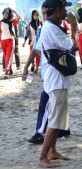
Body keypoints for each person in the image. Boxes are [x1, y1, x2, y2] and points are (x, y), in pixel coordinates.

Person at [34, 0, 78, 167]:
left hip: (55, 78)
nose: (65, 11)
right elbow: (72, 46)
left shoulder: (49, 26)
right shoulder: (52, 28)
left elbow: (38, 49)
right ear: (57, 10)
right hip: (56, 80)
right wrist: (73, 26)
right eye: (63, 8)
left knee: (56, 117)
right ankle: (42, 156)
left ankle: (52, 151)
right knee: (55, 120)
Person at [22, 4, 71, 145]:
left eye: (44, 13)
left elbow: (37, 49)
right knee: (51, 106)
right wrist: (26, 67)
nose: (44, 16)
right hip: (52, 76)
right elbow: (36, 49)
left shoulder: (51, 28)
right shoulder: (49, 28)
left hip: (54, 76)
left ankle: (46, 134)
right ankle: (43, 135)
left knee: (51, 105)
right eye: (42, 14)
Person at [0, 7, 20, 79]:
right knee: (6, 57)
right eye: (4, 13)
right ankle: (10, 70)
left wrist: (13, 11)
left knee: (8, 56)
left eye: (7, 13)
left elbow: (18, 17)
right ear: (2, 14)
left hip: (10, 41)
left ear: (9, 14)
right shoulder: (1, 22)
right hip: (3, 41)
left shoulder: (12, 21)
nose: (5, 15)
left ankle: (7, 70)